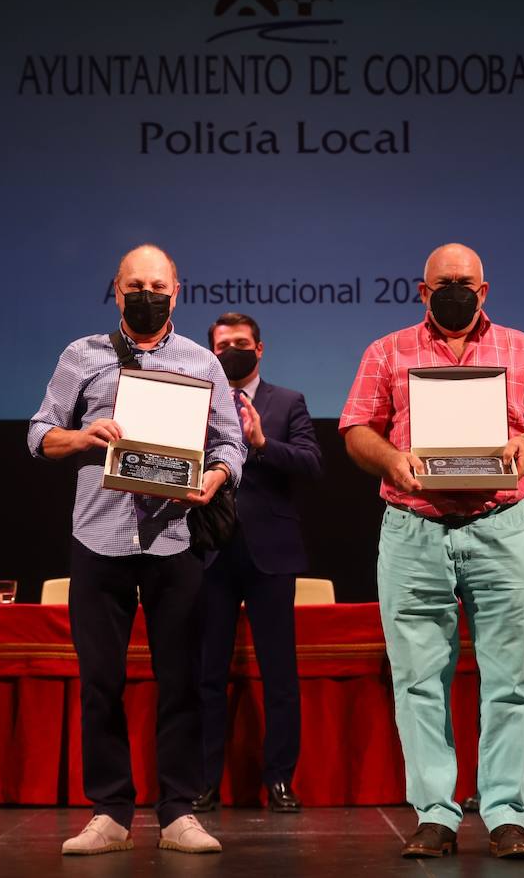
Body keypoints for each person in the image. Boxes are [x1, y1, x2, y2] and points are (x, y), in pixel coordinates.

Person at [338, 243, 524, 860]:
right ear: (422, 292)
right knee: (419, 680)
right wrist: (392, 459)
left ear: (485, 290)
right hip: (412, 527)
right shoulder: (386, 350)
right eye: (442, 282)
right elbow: (355, 428)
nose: (454, 289)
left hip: (499, 525)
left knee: (509, 681)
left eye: (465, 282)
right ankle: (436, 814)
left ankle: (505, 815)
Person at [28, 244, 245, 855]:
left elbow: (231, 444)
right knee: (101, 680)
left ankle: (178, 811)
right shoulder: (82, 355)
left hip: (174, 538)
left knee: (181, 679)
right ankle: (110, 812)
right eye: (134, 286)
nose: (146, 295)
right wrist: (79, 436)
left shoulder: (202, 362)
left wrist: (215, 477)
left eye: (158, 285)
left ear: (177, 292)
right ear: (116, 292)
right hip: (97, 537)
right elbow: (38, 432)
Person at [193, 313, 322, 815]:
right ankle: (205, 781)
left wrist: (264, 444)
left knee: (279, 675)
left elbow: (313, 463)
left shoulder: (288, 402)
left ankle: (280, 780)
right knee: (207, 677)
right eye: (222, 346)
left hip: (271, 553)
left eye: (241, 344)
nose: (232, 352)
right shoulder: (194, 402)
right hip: (208, 552)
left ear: (260, 349)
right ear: (210, 353)